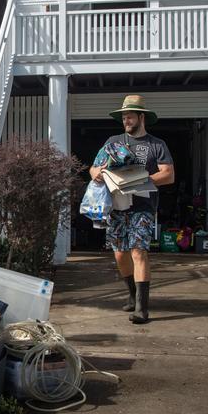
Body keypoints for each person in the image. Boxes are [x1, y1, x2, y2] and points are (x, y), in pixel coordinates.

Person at [88, 95, 174, 324]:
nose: (126, 120)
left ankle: (142, 309)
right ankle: (132, 293)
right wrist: (95, 173)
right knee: (119, 253)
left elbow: (168, 174)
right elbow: (93, 168)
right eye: (124, 117)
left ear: (141, 117)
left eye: (130, 116)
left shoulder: (157, 145)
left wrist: (140, 181)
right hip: (116, 205)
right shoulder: (112, 142)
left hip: (143, 206)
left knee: (139, 251)